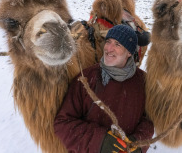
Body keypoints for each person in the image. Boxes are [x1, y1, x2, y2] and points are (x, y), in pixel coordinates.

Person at [54, 24, 154, 153]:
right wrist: (100, 142)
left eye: (117, 44)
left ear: (129, 52)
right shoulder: (86, 79)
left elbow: (148, 121)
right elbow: (63, 123)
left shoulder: (143, 82)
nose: (109, 49)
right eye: (108, 42)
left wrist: (138, 144)